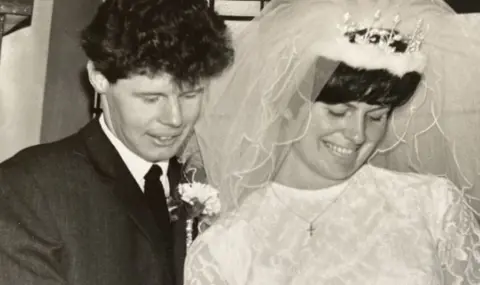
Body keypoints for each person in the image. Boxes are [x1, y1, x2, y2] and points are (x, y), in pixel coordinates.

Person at [183, 0, 480, 284]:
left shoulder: (433, 205)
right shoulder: (226, 247)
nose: (357, 134)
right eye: (338, 112)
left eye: (376, 117)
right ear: (291, 106)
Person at [0, 0, 233, 284]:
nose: (175, 118)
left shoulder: (205, 180)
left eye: (190, 95)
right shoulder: (28, 190)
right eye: (151, 98)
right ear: (99, 78)